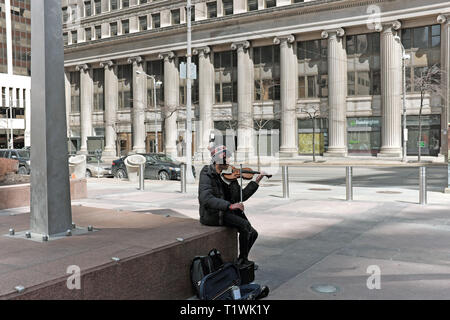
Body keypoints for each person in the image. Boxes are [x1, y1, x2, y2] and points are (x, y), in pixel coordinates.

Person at [198, 145, 267, 267]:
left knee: (253, 233)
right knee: (245, 225)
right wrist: (229, 206)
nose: (229, 162)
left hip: (224, 211)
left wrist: (256, 181)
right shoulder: (206, 173)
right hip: (213, 214)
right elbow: (205, 199)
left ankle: (242, 258)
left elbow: (241, 197)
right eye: (227, 158)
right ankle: (242, 260)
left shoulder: (226, 177)